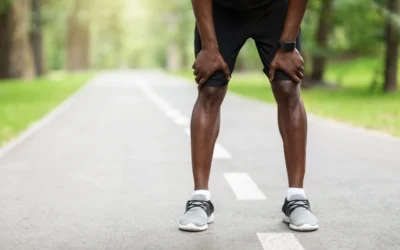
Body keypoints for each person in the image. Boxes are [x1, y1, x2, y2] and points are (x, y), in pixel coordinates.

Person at [178, 0, 318, 232]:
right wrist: (210, 48)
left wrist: (288, 46)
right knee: (209, 89)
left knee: (287, 87)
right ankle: (200, 199)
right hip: (221, 10)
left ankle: (296, 198)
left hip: (276, 8)